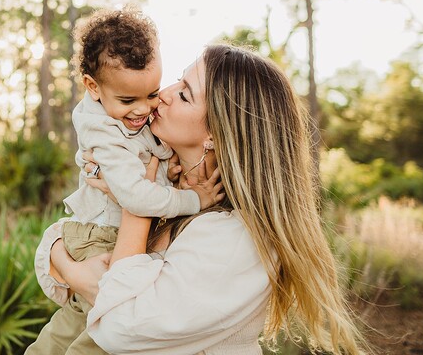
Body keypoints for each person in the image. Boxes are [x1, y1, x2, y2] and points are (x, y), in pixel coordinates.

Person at [35, 44, 367, 354]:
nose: (161, 96)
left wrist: (135, 203)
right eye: (176, 81)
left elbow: (119, 328)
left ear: (215, 133)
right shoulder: (168, 185)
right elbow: (70, 233)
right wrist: (63, 260)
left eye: (183, 94)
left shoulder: (235, 238)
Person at [27, 7, 221, 354]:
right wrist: (194, 200)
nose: (147, 108)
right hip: (100, 239)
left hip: (103, 236)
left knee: (72, 329)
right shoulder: (103, 130)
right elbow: (137, 198)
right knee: (96, 335)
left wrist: (166, 173)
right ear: (92, 87)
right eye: (129, 100)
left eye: (153, 92)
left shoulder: (122, 110)